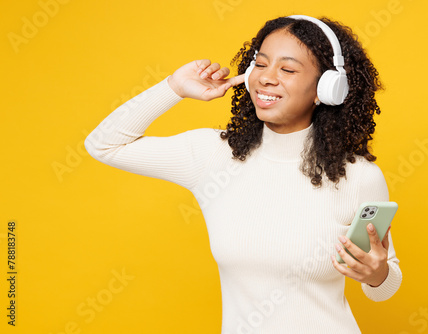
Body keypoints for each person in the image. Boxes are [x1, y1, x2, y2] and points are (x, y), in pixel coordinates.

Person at [85, 14, 402, 334]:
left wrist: (376, 275)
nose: (267, 78)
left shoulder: (359, 177)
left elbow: (385, 283)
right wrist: (174, 87)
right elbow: (103, 145)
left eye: (288, 69)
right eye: (260, 64)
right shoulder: (211, 155)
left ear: (325, 88)